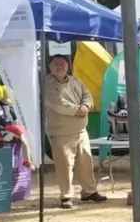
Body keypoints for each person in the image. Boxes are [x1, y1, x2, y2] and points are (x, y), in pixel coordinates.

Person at [44, 54, 106, 208]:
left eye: (62, 63)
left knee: (86, 162)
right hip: (61, 133)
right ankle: (66, 196)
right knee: (64, 165)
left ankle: (89, 191)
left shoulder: (76, 81)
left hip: (81, 131)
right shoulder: (48, 83)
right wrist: (78, 110)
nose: (60, 66)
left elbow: (88, 96)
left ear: (67, 65)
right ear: (50, 67)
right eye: (56, 64)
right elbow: (57, 103)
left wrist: (86, 106)